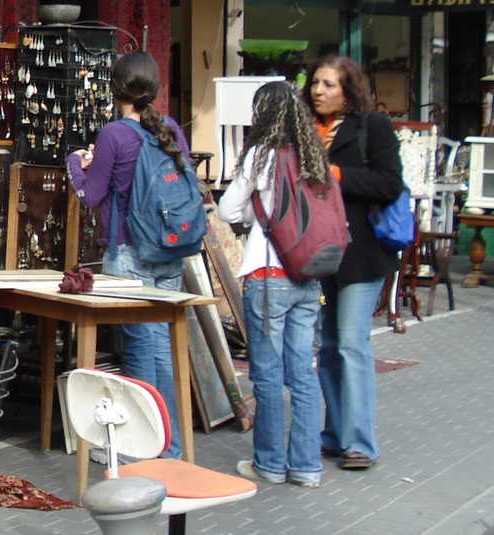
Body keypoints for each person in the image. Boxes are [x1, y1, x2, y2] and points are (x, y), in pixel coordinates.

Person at [67, 51, 191, 457]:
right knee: (161, 349)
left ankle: (140, 448)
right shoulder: (170, 126)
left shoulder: (114, 134)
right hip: (169, 251)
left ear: (114, 88)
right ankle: (168, 447)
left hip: (128, 253)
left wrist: (76, 164)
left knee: (139, 349)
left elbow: (92, 195)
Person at [218, 81, 328, 487]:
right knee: (302, 371)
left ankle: (269, 463)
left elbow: (230, 207)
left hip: (268, 275)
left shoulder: (261, 156)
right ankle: (306, 466)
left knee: (266, 373)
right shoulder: (312, 153)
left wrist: (253, 215)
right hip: (307, 274)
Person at [303, 54, 404, 471]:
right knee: (327, 346)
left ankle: (361, 442)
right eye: (315, 83)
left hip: (361, 254)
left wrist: (336, 174)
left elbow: (389, 182)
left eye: (329, 85)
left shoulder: (372, 126)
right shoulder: (304, 129)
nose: (319, 91)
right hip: (317, 255)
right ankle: (334, 433)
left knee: (350, 343)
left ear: (348, 91)